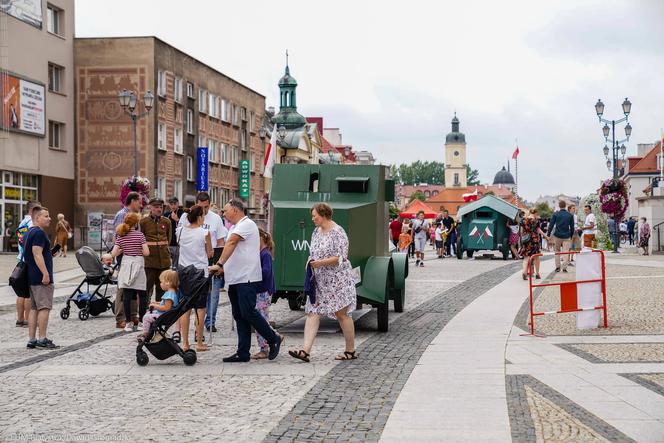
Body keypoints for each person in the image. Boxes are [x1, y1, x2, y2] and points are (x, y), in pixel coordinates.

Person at [209, 199, 283, 363]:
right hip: (235, 278)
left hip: (247, 277)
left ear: (235, 210)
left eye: (226, 210)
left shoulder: (246, 224)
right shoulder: (235, 227)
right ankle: (243, 352)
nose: (223, 213)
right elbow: (235, 251)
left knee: (248, 311)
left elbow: (232, 243)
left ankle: (273, 338)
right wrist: (223, 269)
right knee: (239, 315)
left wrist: (219, 263)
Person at [287, 203, 357, 363]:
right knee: (313, 312)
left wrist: (320, 263)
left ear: (323, 214)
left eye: (314, 216)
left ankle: (350, 350)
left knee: (342, 314)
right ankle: (305, 351)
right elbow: (314, 253)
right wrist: (311, 262)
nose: (312, 219)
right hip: (319, 280)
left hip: (338, 280)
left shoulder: (338, 232)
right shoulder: (316, 232)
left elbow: (341, 258)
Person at [179, 192, 227, 333]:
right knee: (191, 299)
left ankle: (210, 322)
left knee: (213, 294)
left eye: (206, 207)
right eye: (201, 207)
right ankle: (194, 331)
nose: (204, 211)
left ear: (210, 204)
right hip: (190, 263)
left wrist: (219, 262)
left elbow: (220, 241)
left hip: (210, 261)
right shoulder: (186, 217)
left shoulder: (216, 218)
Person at [176, 205, 213, 352]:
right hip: (200, 273)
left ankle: (185, 343)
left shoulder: (180, 231)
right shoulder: (205, 232)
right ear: (200, 217)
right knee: (201, 308)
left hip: (184, 272)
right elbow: (210, 253)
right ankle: (199, 342)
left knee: (186, 307)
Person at [24, 206, 58, 349]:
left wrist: (49, 254)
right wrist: (45, 273)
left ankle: (32, 339)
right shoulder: (39, 233)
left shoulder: (29, 232)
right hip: (40, 277)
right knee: (44, 307)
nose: (49, 218)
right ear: (37, 218)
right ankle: (42, 339)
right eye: (46, 216)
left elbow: (37, 253)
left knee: (34, 308)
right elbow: (36, 253)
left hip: (31, 276)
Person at [112, 212, 149, 333]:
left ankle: (128, 323)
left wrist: (123, 248)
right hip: (138, 264)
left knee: (126, 295)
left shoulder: (121, 236)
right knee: (142, 295)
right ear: (136, 223)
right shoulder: (140, 235)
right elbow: (146, 252)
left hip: (126, 264)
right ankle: (141, 322)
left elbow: (114, 253)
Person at [113, 192, 142, 329]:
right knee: (123, 287)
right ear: (133, 201)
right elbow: (118, 236)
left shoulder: (135, 216)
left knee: (134, 285)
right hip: (125, 256)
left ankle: (133, 315)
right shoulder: (122, 215)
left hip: (135, 257)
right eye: (139, 201)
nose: (141, 204)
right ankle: (121, 318)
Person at [140, 198, 172, 302]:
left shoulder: (166, 222)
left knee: (162, 287)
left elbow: (169, 239)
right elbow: (141, 240)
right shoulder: (143, 222)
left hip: (164, 260)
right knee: (147, 287)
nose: (159, 209)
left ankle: (159, 310)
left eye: (160, 207)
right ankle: (144, 310)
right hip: (149, 261)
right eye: (156, 207)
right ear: (150, 207)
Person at [14, 200, 40, 328]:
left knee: (20, 293)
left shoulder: (22, 223)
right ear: (32, 210)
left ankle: (20, 319)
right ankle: (28, 319)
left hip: (21, 259)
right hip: (30, 261)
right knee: (29, 293)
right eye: (38, 209)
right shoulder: (31, 223)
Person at [253, 229, 275, 359]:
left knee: (261, 321)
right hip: (262, 291)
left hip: (263, 291)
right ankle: (273, 337)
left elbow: (266, 271)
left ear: (260, 238)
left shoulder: (264, 254)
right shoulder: (263, 252)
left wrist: (254, 272)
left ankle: (264, 347)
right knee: (261, 320)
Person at [141, 269, 180, 341]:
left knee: (146, 317)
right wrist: (156, 303)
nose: (160, 284)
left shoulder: (169, 294)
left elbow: (166, 307)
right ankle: (150, 333)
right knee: (148, 313)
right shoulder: (172, 292)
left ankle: (145, 334)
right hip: (164, 314)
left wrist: (156, 306)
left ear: (168, 283)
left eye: (161, 282)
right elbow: (165, 303)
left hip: (164, 316)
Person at [547, 200, 575, 273]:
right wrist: (571, 235)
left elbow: (551, 225)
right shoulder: (570, 215)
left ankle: (558, 267)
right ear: (565, 206)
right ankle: (564, 267)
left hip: (557, 235)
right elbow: (572, 227)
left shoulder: (556, 214)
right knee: (566, 251)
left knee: (557, 251)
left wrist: (548, 234)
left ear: (559, 206)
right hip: (567, 235)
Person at [520, 208, 546, 280]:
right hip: (534, 240)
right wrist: (546, 236)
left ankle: (524, 272)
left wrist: (522, 240)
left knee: (526, 257)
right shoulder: (536, 220)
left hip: (526, 240)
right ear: (535, 213)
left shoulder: (523, 220)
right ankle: (537, 273)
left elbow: (521, 232)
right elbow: (538, 230)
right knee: (536, 257)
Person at [164, 196, 184, 268]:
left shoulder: (182, 214)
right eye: (171, 204)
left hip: (178, 244)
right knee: (168, 265)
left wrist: (177, 219)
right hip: (168, 243)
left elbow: (186, 227)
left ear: (178, 204)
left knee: (176, 265)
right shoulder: (166, 215)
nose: (173, 206)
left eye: (175, 204)